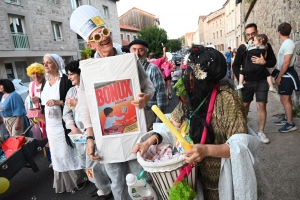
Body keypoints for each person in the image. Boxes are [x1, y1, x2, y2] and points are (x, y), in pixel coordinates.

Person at [133, 45, 260, 200]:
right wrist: (150, 142)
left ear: (200, 75)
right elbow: (172, 125)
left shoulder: (227, 99)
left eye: (189, 71)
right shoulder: (191, 96)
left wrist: (206, 150)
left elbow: (240, 147)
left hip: (220, 183)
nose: (186, 76)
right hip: (194, 178)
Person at [70, 5, 155, 200]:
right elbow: (86, 109)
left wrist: (145, 98)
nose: (104, 38)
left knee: (141, 181)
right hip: (107, 141)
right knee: (117, 183)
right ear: (90, 44)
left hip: (134, 136)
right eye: (97, 37)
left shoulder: (129, 60)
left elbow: (149, 87)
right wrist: (90, 139)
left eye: (105, 32)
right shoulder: (88, 70)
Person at [62, 60, 113, 199]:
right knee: (85, 164)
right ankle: (98, 186)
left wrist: (77, 104)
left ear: (81, 74)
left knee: (97, 164)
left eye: (71, 74)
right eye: (68, 75)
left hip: (93, 134)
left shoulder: (92, 89)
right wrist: (72, 127)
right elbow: (66, 112)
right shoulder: (71, 91)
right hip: (78, 135)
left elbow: (99, 111)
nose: (69, 77)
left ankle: (106, 189)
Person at [40, 54, 87, 193]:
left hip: (63, 123)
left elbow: (70, 101)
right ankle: (64, 183)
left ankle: (78, 180)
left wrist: (58, 102)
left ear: (57, 64)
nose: (46, 65)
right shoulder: (45, 82)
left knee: (68, 151)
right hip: (51, 123)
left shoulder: (65, 80)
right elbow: (44, 104)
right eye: (44, 63)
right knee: (57, 154)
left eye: (49, 62)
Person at [232, 23, 277, 144]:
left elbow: (272, 62)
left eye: (253, 34)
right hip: (247, 82)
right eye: (248, 35)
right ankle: (243, 130)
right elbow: (235, 65)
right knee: (245, 106)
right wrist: (241, 79)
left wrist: (264, 62)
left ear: (257, 32)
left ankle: (261, 132)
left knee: (261, 105)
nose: (251, 37)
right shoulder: (243, 48)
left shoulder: (265, 46)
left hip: (262, 80)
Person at [129, 39, 168, 131]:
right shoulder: (125, 70)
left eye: (140, 50)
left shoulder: (153, 69)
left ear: (146, 52)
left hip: (150, 116)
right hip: (132, 118)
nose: (137, 53)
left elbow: (162, 97)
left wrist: (158, 123)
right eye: (134, 49)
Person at [274, 22, 299, 132]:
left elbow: (286, 62)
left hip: (287, 75)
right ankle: (286, 118)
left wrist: (279, 76)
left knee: (285, 99)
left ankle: (290, 123)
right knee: (284, 98)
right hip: (284, 74)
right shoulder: (287, 43)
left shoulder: (288, 44)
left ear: (279, 33)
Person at [25, 62, 52, 167]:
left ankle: (55, 160)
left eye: (38, 73)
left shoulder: (47, 83)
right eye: (33, 73)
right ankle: (50, 160)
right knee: (41, 138)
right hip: (35, 116)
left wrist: (40, 100)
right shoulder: (31, 85)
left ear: (42, 72)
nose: (35, 76)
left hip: (47, 115)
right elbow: (28, 102)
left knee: (49, 136)